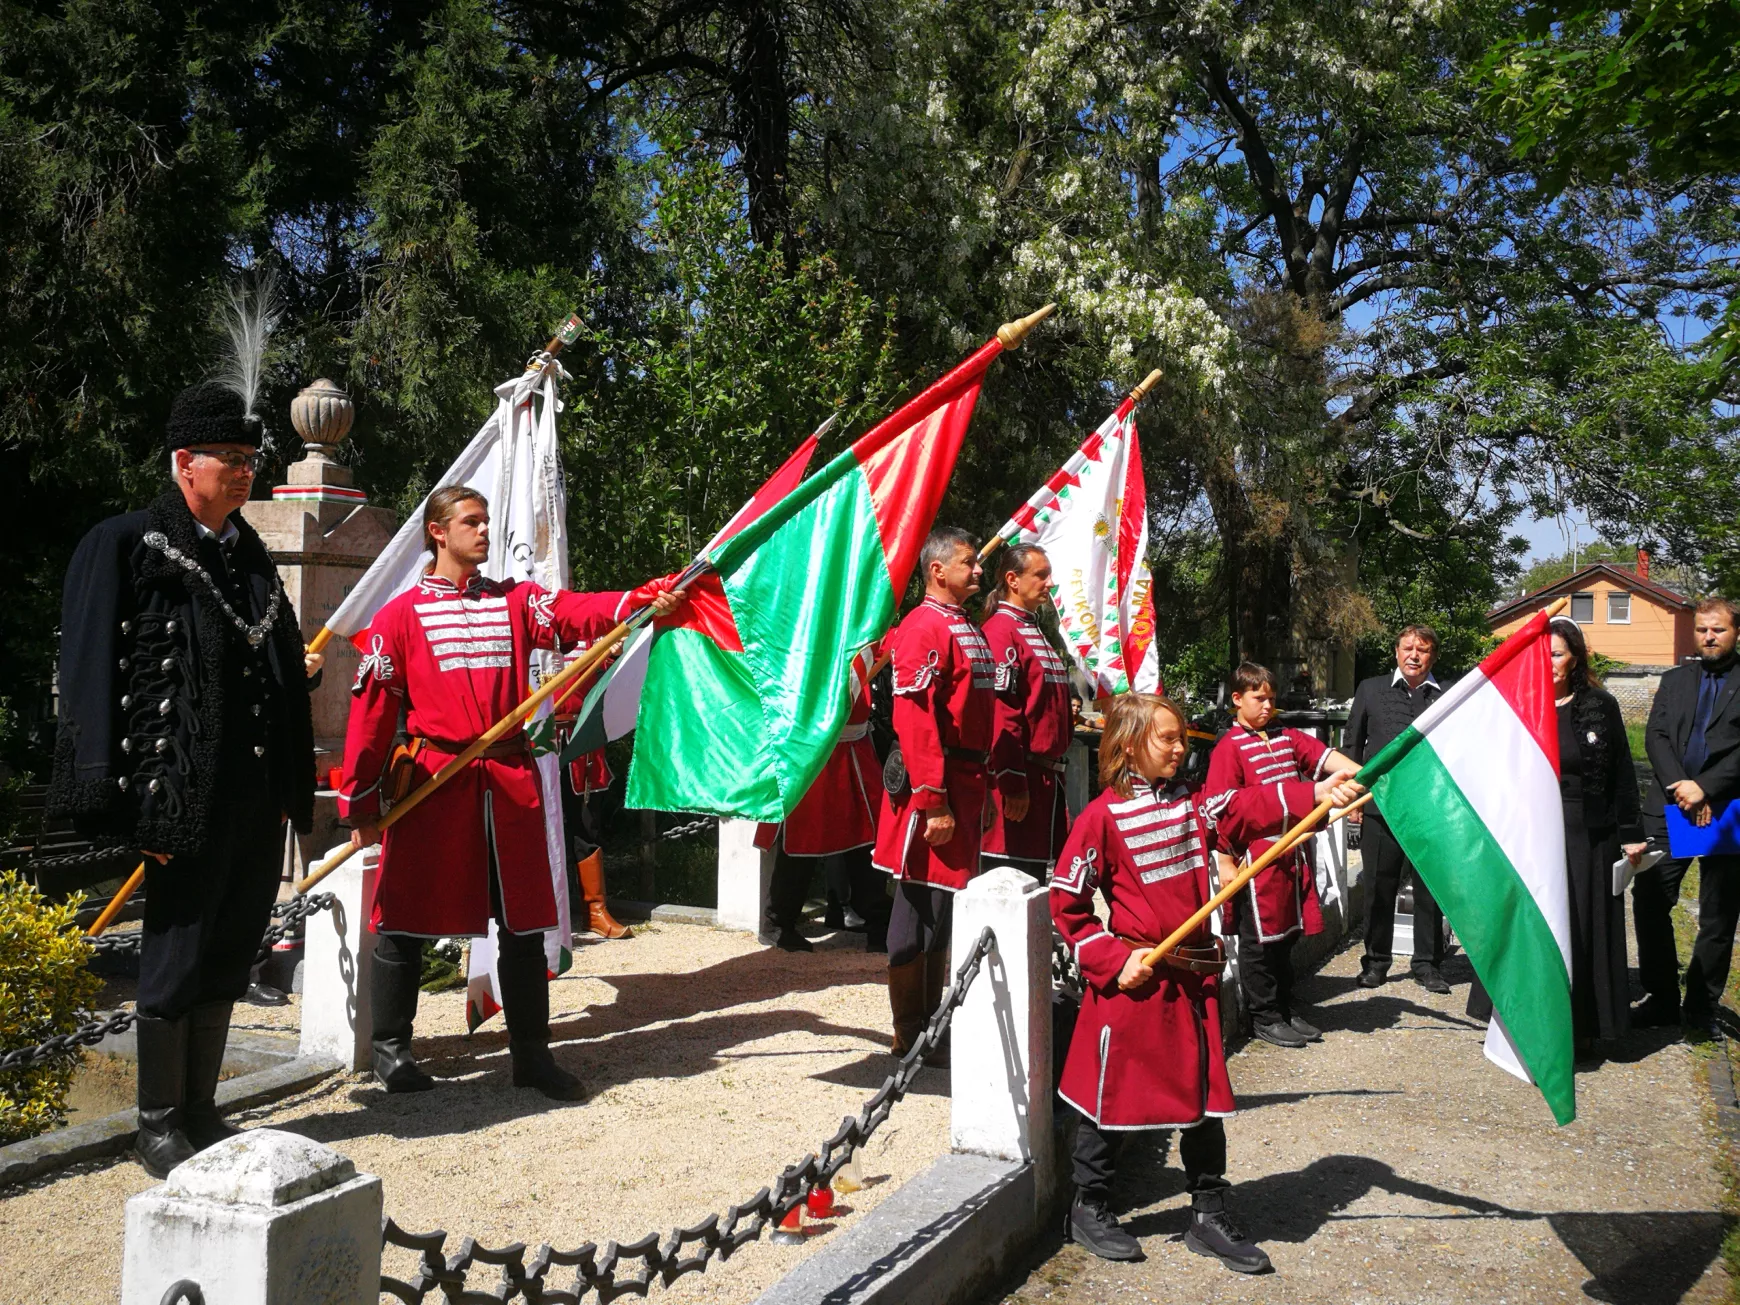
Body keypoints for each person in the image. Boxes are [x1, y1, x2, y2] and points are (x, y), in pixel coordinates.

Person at [50, 382, 323, 1177]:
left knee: (230, 948)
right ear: (183, 463)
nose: (243, 473)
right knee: (174, 956)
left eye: (249, 460)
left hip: (250, 796)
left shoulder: (246, 555)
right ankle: (157, 1121)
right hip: (177, 796)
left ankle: (202, 1108)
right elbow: (93, 674)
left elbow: (258, 655)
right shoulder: (126, 543)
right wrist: (125, 807)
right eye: (229, 460)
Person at [340, 486, 684, 1098]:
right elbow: (370, 713)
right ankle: (392, 1052)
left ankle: (532, 1058)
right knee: (403, 918)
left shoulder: (515, 603)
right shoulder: (399, 617)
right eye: (472, 522)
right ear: (438, 533)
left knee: (524, 927)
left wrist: (645, 598)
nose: (485, 531)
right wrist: (361, 804)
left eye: (487, 521)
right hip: (434, 785)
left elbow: (580, 613)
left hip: (508, 784)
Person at [1052, 694, 1359, 1269]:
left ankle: (1208, 1212)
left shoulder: (1197, 807)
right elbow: (1066, 904)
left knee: (1201, 1101)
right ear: (1128, 745)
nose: (1180, 746)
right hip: (1135, 982)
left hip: (1193, 984)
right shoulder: (1099, 817)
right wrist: (1114, 959)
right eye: (1167, 737)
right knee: (1110, 1099)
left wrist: (1315, 793)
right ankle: (1088, 1207)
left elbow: (1248, 807)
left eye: (1180, 737)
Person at [872, 527, 996, 1059]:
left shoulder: (964, 624)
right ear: (937, 570)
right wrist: (933, 798)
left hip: (966, 783)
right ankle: (909, 1031)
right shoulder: (924, 625)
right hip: (936, 786)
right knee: (917, 908)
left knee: (944, 911)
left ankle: (932, 1026)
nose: (979, 570)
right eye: (969, 562)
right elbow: (916, 719)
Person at [1202, 663, 1358, 1049]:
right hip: (1256, 857)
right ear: (1237, 699)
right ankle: (1264, 1016)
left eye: (1271, 698)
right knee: (1261, 941)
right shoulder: (1228, 748)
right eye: (1258, 698)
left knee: (1288, 935)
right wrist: (1224, 857)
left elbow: (1325, 758)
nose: (1267, 705)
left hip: (1294, 852)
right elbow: (1219, 806)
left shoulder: (1286, 737)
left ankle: (1285, 1006)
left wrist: (1370, 775)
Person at [1635, 596, 1740, 1036]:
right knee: (1651, 899)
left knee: (1718, 913)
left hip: (1726, 810)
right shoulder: (1676, 679)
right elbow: (1656, 735)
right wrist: (1682, 785)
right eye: (1701, 630)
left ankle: (1700, 1007)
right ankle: (1661, 997)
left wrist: (1707, 787)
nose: (1708, 637)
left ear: (1736, 632)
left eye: (1717, 629)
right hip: (1670, 807)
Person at [1546, 618, 1645, 1051]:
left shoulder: (1600, 706)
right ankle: (1536, 1024)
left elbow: (1623, 771)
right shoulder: (1520, 706)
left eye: (1556, 654)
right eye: (1542, 655)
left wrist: (1632, 833)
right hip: (1537, 834)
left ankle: (1582, 1025)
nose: (1548, 663)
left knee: (1583, 928)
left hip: (1588, 836)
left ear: (1574, 659)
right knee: (1543, 927)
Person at [761, 647, 890, 953]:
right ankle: (779, 923)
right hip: (812, 755)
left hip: (855, 748)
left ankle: (877, 921)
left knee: (866, 841)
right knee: (801, 844)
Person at [1344, 625, 1451, 992]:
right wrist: (1352, 801)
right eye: (1407, 648)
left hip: (1431, 809)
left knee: (1430, 889)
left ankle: (1428, 964)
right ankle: (1376, 962)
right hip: (1380, 806)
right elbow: (1352, 745)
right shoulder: (1371, 689)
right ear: (1396, 652)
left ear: (1433, 656)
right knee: (1378, 886)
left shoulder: (1448, 696)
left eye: (1422, 650)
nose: (1414, 656)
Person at [980, 545, 1074, 879]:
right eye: (1041, 574)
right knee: (1006, 884)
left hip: (1046, 782)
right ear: (1013, 580)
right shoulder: (1000, 632)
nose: (1050, 582)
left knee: (1033, 882)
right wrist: (1012, 781)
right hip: (1020, 782)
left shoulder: (1034, 631)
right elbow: (1002, 713)